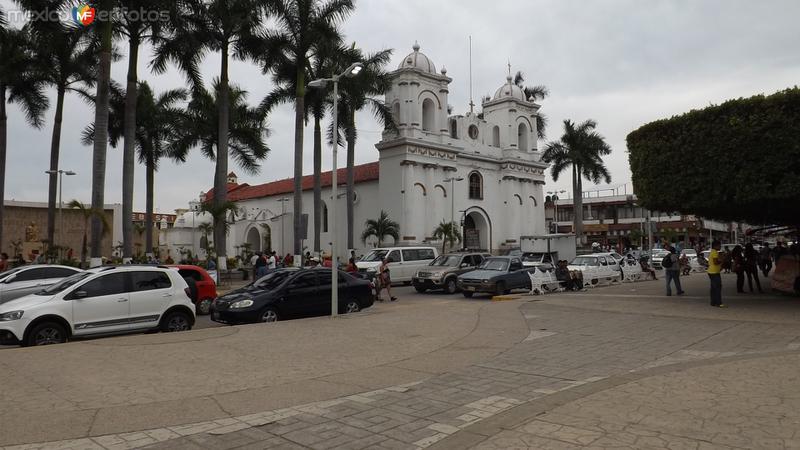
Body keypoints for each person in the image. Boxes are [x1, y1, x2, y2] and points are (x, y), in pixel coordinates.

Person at [707, 240, 725, 307]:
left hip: (711, 271)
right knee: (718, 287)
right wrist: (722, 260)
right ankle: (718, 302)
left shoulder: (712, 251)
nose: (720, 247)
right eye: (719, 245)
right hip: (714, 272)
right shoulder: (715, 252)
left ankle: (713, 302)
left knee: (713, 288)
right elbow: (715, 262)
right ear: (715, 246)